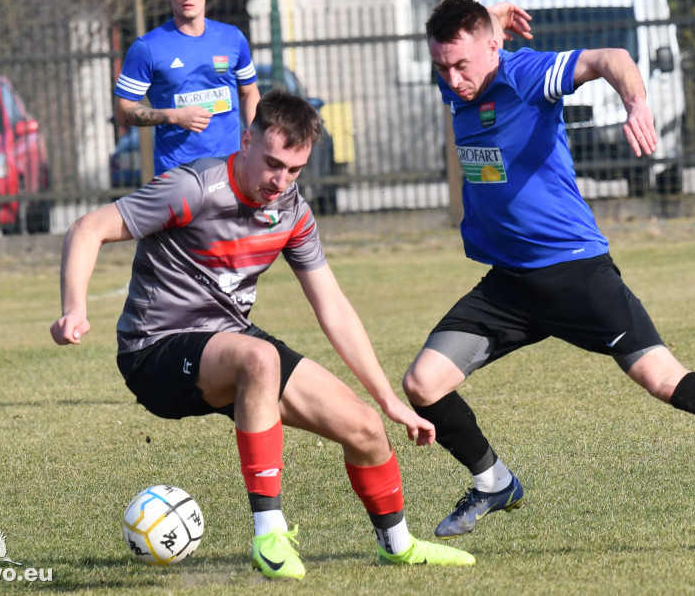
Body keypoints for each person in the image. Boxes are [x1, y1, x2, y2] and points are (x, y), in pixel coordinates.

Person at [402, 0, 695, 539]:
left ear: (494, 48)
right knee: (423, 383)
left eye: (460, 65)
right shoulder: (461, 72)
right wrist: (492, 13)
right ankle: (494, 481)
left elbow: (611, 58)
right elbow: (465, 33)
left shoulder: (529, 74)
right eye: (441, 67)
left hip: (575, 274)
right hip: (508, 287)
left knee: (664, 379)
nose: (451, 78)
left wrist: (637, 104)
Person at [50, 89, 475, 579]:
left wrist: (388, 401)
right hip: (155, 350)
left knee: (364, 428)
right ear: (246, 140)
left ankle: (398, 546)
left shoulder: (292, 211)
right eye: (273, 163)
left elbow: (333, 307)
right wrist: (73, 309)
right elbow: (87, 228)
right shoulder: (193, 188)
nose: (281, 180)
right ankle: (269, 535)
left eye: (294, 170)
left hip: (229, 343)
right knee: (260, 358)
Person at [114, 0, 261, 175]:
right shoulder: (147, 47)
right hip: (177, 173)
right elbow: (122, 110)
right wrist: (174, 116)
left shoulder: (232, 38)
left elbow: (248, 93)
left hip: (231, 170)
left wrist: (255, 139)